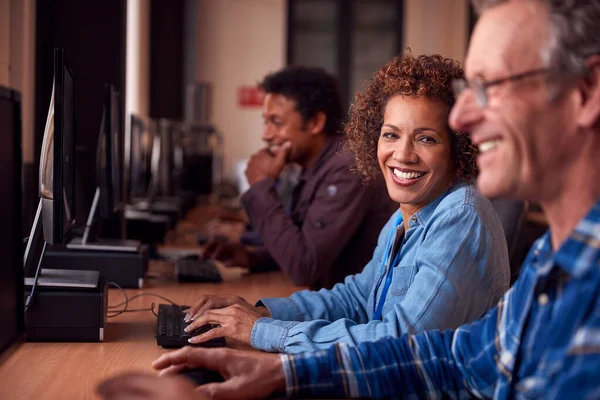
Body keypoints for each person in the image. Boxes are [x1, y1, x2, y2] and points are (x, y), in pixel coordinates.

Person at [97, 0, 600, 399]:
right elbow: (444, 356)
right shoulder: (548, 264)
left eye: (490, 87)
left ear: (586, 90)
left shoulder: (473, 221)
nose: (464, 117)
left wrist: (267, 337)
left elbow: (399, 336)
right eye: (470, 88)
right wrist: (274, 354)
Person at [174, 53, 510, 354]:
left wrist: (262, 331)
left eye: (426, 138)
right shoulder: (404, 217)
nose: (403, 155)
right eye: (391, 135)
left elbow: (401, 342)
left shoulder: (459, 216)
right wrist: (261, 312)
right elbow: (358, 298)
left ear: (459, 148)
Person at [202, 65, 396, 290]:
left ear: (315, 123)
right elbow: (307, 245)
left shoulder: (348, 168)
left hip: (356, 314)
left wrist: (260, 184)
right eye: (266, 122)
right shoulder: (311, 165)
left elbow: (304, 266)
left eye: (277, 122)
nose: (266, 135)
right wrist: (253, 258)